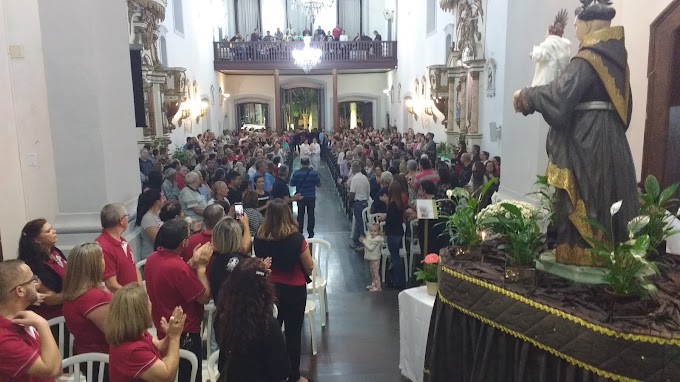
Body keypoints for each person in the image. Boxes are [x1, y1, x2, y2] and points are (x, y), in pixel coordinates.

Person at [513, 0, 638, 265]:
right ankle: (603, 256)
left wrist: (526, 96)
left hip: (589, 146)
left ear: (589, 23)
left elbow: (560, 97)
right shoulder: (618, 63)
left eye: (578, 23)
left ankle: (584, 256)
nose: (575, 28)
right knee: (607, 202)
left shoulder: (588, 60)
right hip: (612, 143)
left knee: (589, 200)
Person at [145, 219, 213, 382]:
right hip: (184, 330)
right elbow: (204, 297)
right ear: (183, 242)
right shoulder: (177, 267)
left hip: (163, 323)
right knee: (188, 375)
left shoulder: (152, 259)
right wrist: (202, 267)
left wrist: (192, 263)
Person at [253, 199, 314, 382]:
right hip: (294, 289)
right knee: (293, 334)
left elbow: (260, 262)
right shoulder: (296, 238)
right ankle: (294, 375)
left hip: (269, 288)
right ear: (288, 215)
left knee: (270, 331)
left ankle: (272, 374)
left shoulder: (259, 237)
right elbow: (309, 266)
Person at [213, 258, 290, 381]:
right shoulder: (268, 325)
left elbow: (222, 362)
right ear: (264, 289)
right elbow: (280, 372)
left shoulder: (221, 317)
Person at [107, 285, 185, 382]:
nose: (151, 303)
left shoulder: (135, 334)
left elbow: (159, 348)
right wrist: (174, 337)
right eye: (148, 301)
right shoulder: (133, 351)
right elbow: (168, 376)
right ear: (141, 312)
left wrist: (169, 334)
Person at [0, 260, 62, 381]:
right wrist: (43, 324)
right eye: (32, 280)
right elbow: (53, 369)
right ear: (20, 291)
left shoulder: (23, 319)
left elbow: (56, 366)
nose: (37, 284)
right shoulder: (4, 339)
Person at [62, 243, 112, 380]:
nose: (104, 260)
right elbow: (115, 332)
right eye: (102, 257)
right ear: (95, 265)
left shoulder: (73, 292)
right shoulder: (94, 296)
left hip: (85, 354)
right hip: (103, 360)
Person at [18, 219, 67, 320]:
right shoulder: (32, 264)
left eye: (52, 228)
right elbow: (51, 299)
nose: (54, 231)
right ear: (37, 240)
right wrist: (80, 292)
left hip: (65, 310)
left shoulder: (56, 252)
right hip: (50, 318)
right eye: (48, 231)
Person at [96, 203, 142, 292]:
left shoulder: (122, 240)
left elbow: (133, 266)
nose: (128, 219)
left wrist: (140, 289)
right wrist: (134, 296)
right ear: (121, 220)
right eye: (127, 216)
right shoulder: (103, 247)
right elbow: (111, 284)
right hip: (123, 300)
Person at [530, 9, 572, 86]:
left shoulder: (549, 44)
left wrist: (532, 54)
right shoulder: (564, 47)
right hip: (555, 85)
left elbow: (539, 55)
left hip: (543, 83)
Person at [379, 181, 405, 289]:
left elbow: (391, 219)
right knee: (396, 256)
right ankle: (398, 278)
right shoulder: (399, 204)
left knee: (395, 258)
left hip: (393, 233)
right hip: (398, 232)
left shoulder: (393, 205)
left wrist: (385, 218)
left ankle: (398, 281)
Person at [290, 157, 321, 238]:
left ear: (301, 163)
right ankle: (310, 232)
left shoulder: (296, 173)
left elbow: (292, 184)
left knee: (300, 214)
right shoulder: (313, 173)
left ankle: (300, 232)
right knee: (311, 215)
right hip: (311, 196)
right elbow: (319, 184)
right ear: (309, 163)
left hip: (300, 197)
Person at [136, 188, 165, 260]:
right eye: (162, 198)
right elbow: (159, 240)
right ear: (157, 202)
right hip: (151, 257)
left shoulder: (155, 216)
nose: (164, 200)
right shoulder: (148, 219)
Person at [348, 161, 371, 250]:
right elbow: (368, 191)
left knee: (359, 223)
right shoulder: (365, 178)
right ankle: (357, 240)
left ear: (353, 169)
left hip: (358, 202)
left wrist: (350, 203)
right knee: (361, 221)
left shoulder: (354, 179)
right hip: (365, 202)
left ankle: (361, 242)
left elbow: (352, 193)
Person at [360, 223, 384, 292]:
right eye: (371, 231)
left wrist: (364, 241)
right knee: (372, 272)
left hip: (375, 258)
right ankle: (374, 284)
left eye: (375, 231)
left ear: (378, 232)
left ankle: (378, 287)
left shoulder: (376, 240)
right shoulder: (370, 237)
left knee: (376, 273)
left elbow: (370, 248)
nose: (372, 232)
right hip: (370, 258)